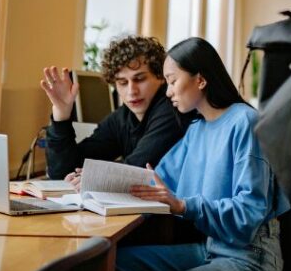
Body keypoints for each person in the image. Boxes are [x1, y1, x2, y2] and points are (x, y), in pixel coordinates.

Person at [115, 37, 289, 271]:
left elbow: (249, 213)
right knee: (113, 264)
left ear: (200, 80)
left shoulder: (245, 122)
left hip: (250, 258)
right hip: (210, 249)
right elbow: (157, 182)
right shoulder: (197, 129)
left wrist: (184, 206)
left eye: (173, 81)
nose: (168, 92)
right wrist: (97, 185)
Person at [40, 35, 195, 182]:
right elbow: (63, 171)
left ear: (161, 77)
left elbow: (136, 170)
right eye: (122, 82)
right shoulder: (121, 118)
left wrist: (93, 177)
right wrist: (61, 115)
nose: (131, 91)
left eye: (140, 79)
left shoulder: (172, 109)